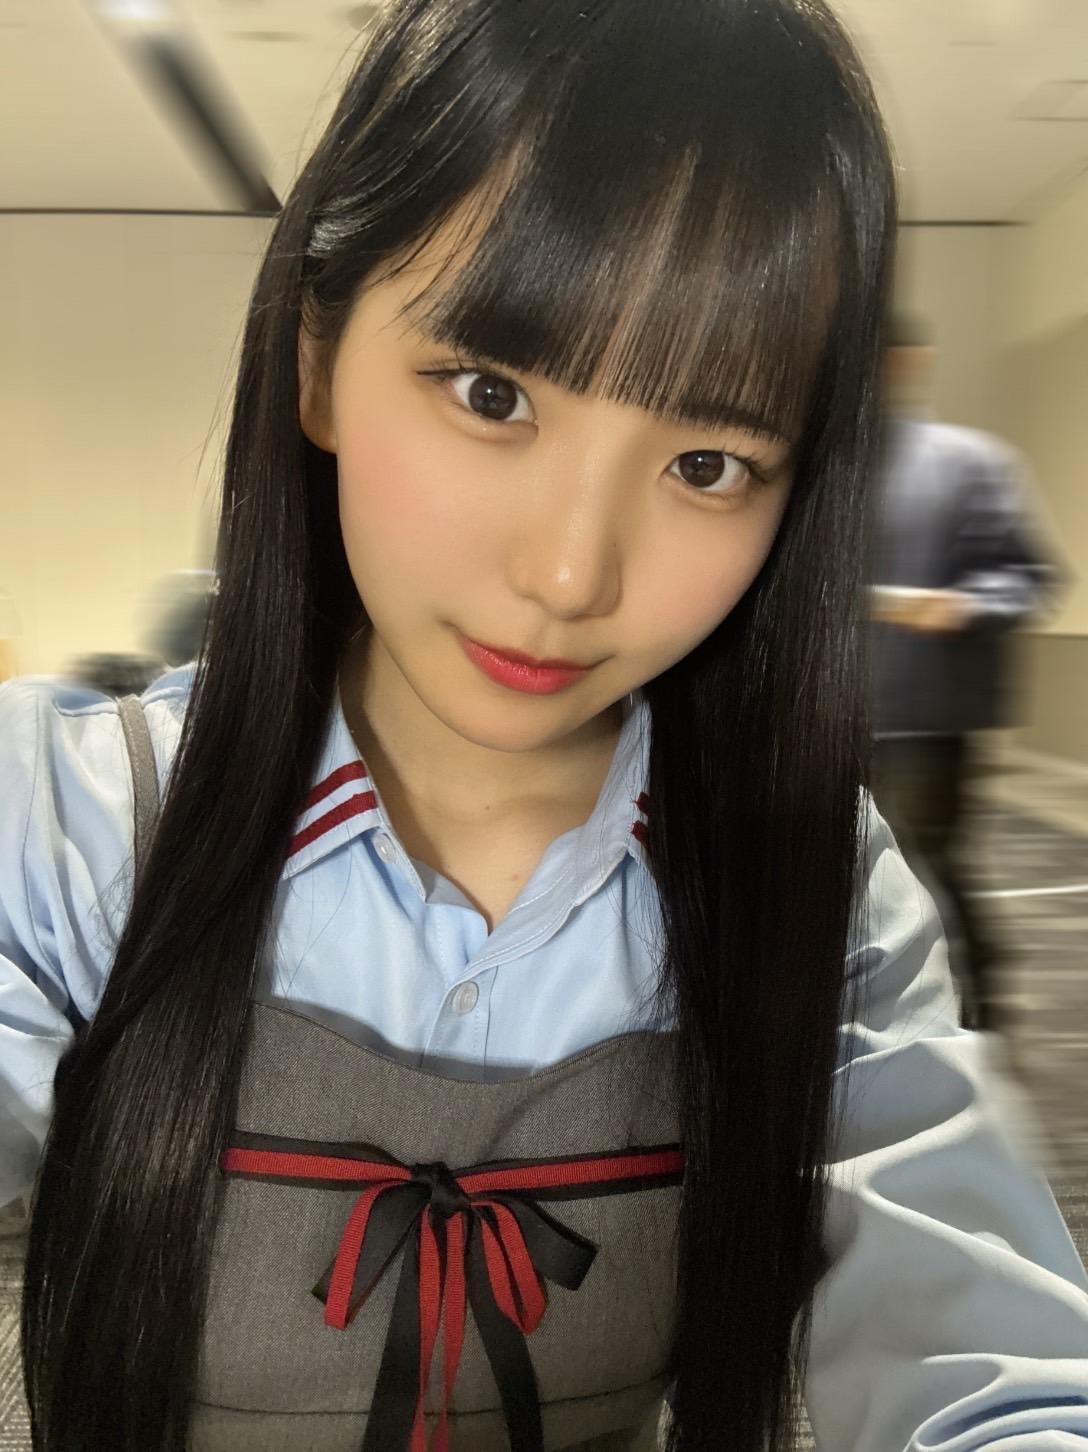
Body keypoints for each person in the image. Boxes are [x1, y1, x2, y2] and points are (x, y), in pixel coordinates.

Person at [2, 3, 1087, 1450]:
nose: (571, 577)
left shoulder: (809, 885)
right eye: (491, 393)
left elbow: (989, 1359)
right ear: (316, 359)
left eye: (708, 463)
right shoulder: (69, 822)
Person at [869, 316, 1061, 1032]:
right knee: (833, 867)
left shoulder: (970, 463)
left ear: (906, 364)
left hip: (927, 716)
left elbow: (1030, 578)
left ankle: (980, 998)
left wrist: (961, 605)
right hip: (824, 712)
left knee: (931, 862)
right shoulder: (811, 469)